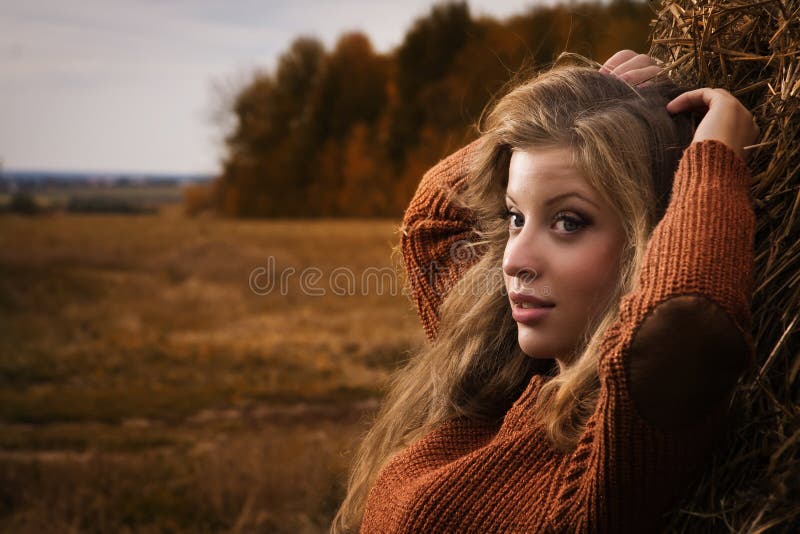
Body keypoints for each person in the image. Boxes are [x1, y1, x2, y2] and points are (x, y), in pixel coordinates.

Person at [332, 50, 759, 532]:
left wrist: (716, 159)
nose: (513, 261)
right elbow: (435, 221)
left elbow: (683, 316)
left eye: (569, 222)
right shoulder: (503, 375)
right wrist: (583, 106)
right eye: (515, 217)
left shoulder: (617, 447)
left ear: (656, 242)